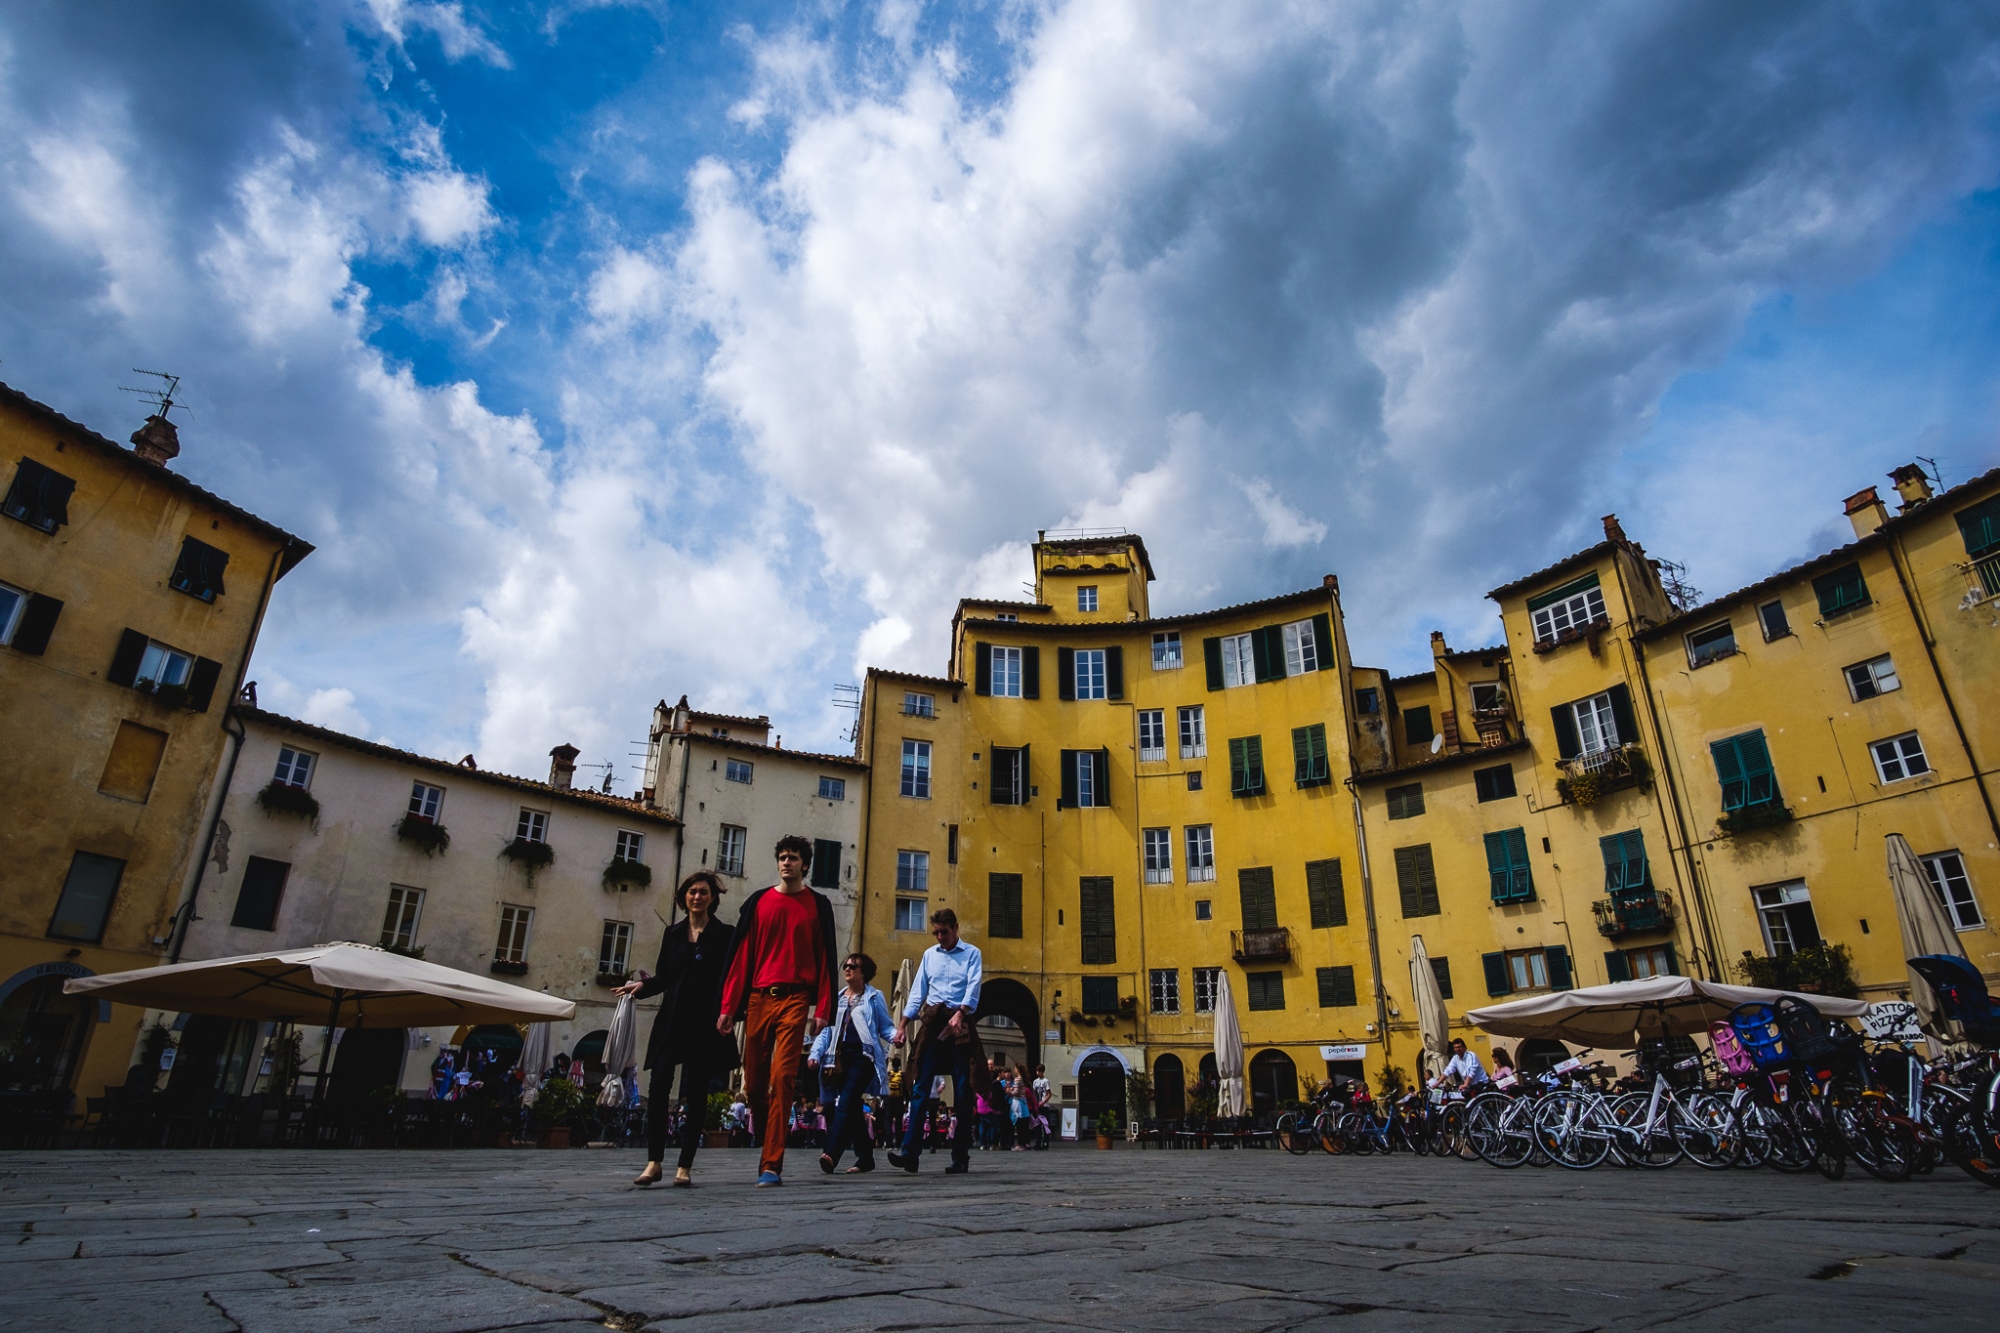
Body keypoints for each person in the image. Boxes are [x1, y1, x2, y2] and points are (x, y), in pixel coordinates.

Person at [717, 835, 840, 1186]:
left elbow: (825, 958)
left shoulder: (818, 904)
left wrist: (823, 1010)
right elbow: (742, 957)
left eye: (794, 858)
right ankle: (766, 1130)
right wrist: (728, 1006)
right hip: (758, 998)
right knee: (753, 1083)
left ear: (805, 865)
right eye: (782, 857)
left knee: (783, 1077)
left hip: (796, 998)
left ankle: (771, 1163)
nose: (787, 862)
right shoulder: (759, 902)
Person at [618, 870, 738, 1188]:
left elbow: (731, 980)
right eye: (691, 892)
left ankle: (684, 1166)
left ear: (712, 898)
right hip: (671, 1021)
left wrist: (728, 1013)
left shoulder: (725, 935)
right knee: (658, 1087)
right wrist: (639, 987)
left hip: (704, 1024)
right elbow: (663, 978)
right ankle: (654, 1161)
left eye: (703, 892)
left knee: (696, 1093)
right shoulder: (672, 933)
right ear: (684, 897)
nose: (696, 897)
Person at [888, 908, 988, 1175]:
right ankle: (910, 1155)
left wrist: (961, 1014)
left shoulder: (972, 954)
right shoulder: (929, 955)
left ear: (956, 927)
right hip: (932, 1024)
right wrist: (902, 1025)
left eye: (944, 932)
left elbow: (973, 986)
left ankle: (960, 1157)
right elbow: (919, 989)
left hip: (959, 1024)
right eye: (936, 933)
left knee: (964, 1090)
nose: (940, 937)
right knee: (920, 1085)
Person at [816, 952, 896, 1175]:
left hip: (864, 1057)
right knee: (851, 1108)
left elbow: (885, 1026)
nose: (848, 968)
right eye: (846, 965)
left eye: (854, 966)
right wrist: (815, 1053)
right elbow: (827, 1031)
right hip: (840, 1058)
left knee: (846, 1101)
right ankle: (866, 1158)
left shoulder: (874, 997)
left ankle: (831, 1154)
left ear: (864, 973)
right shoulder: (839, 997)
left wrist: (896, 1036)